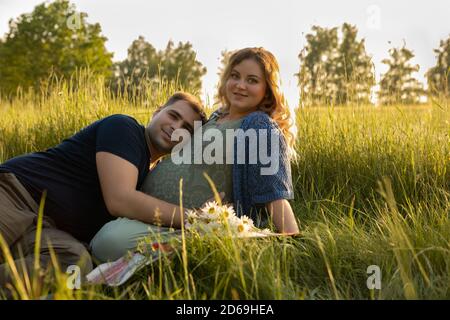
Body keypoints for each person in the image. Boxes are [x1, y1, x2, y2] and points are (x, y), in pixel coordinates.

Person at [91, 47, 300, 263]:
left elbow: (273, 192)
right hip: (159, 217)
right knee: (104, 237)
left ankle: (201, 248)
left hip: (192, 225)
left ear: (267, 89)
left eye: (252, 80)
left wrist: (291, 241)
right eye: (235, 76)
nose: (240, 85)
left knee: (108, 241)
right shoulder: (214, 118)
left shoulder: (260, 125)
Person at [0, 92, 207, 289]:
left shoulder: (150, 175)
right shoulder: (124, 128)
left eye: (187, 128)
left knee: (75, 264)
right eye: (173, 115)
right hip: (15, 194)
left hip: (48, 230)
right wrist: (199, 218)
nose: (176, 127)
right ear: (156, 111)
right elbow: (120, 200)